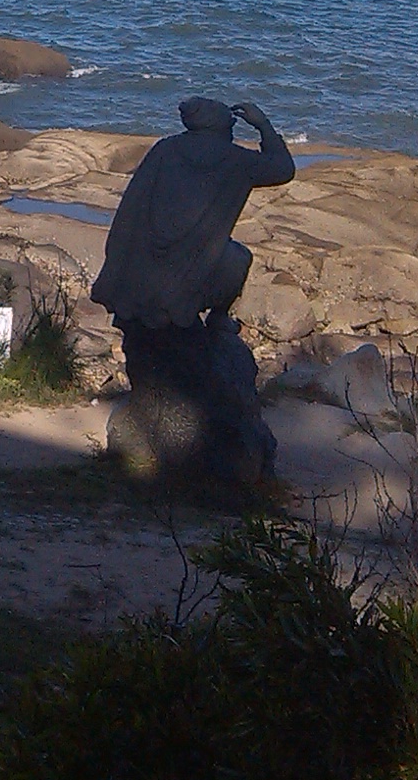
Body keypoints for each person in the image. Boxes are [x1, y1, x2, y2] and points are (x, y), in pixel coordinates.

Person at [92, 95, 297, 498]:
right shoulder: (235, 159)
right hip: (191, 282)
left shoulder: (166, 150)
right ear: (225, 126)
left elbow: (132, 210)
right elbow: (283, 169)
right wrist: (264, 125)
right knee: (239, 258)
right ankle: (219, 318)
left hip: (147, 278)